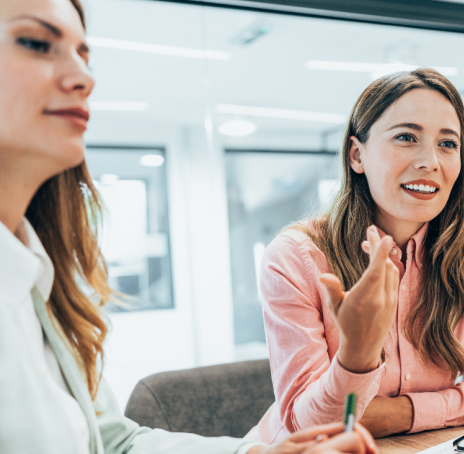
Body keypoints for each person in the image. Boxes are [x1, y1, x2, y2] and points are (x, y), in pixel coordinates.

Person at [0, 1, 378, 453]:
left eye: (84, 55)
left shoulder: (41, 273)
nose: (84, 77)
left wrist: (258, 453)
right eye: (37, 43)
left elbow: (114, 442)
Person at [248, 68, 464, 442]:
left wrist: (401, 413)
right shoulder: (296, 258)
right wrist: (357, 355)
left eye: (448, 144)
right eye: (406, 137)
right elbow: (311, 426)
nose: (431, 161)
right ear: (356, 155)